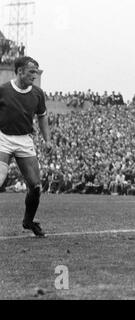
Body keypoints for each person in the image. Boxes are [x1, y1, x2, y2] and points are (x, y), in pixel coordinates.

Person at [0, 56, 52, 237]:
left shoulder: (38, 93)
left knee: (35, 187)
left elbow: (42, 116)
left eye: (36, 72)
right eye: (31, 72)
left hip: (24, 140)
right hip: (3, 137)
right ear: (20, 71)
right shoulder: (3, 90)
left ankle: (28, 221)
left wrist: (48, 140)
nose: (35, 75)